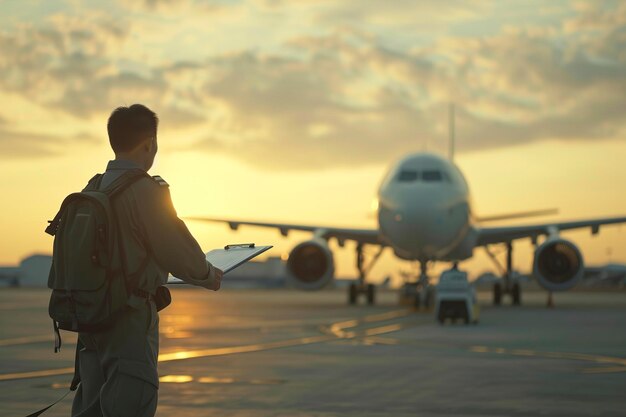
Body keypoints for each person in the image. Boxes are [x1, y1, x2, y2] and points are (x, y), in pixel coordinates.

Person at [71, 104, 222, 417]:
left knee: (91, 406)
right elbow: (177, 249)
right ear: (150, 144)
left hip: (89, 317)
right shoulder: (146, 191)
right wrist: (208, 274)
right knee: (131, 401)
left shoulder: (92, 187)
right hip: (129, 317)